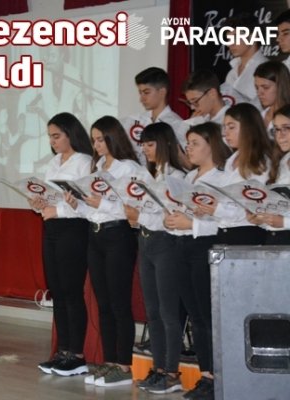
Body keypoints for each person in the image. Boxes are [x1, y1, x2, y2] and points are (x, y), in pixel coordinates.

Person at [66, 116, 140, 387]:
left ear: (113, 138)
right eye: (94, 140)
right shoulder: (97, 167)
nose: (96, 145)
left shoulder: (129, 167)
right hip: (95, 234)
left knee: (119, 303)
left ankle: (124, 365)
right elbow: (92, 208)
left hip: (118, 234)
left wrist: (103, 204)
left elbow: (134, 208)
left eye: (101, 139)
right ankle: (109, 361)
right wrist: (78, 204)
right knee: (104, 303)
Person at [163, 122, 232, 400]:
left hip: (205, 246)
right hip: (182, 246)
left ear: (211, 145)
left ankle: (217, 376)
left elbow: (226, 223)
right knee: (194, 316)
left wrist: (191, 223)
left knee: (207, 315)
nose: (188, 149)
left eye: (195, 144)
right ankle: (205, 375)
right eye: (187, 143)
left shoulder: (223, 178)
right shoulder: (189, 178)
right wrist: (172, 219)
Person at [123, 123, 186, 394]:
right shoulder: (147, 175)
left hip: (166, 243)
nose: (145, 150)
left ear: (165, 143)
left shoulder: (177, 176)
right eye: (143, 145)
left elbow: (172, 215)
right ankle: (158, 368)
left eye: (150, 144)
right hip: (145, 241)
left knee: (169, 312)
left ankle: (172, 373)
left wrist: (141, 215)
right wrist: (134, 215)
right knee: (152, 312)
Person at [30, 112, 93, 377]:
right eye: (50, 137)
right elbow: (50, 196)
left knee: (71, 291)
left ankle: (76, 355)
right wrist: (39, 203)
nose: (52, 142)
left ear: (71, 134)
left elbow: (86, 204)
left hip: (73, 229)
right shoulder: (54, 162)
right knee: (57, 290)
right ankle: (62, 351)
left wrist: (58, 210)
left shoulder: (85, 162)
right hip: (52, 229)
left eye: (56, 136)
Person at [207, 103, 271, 246]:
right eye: (224, 127)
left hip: (247, 233)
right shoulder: (231, 160)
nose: (225, 133)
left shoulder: (260, 162)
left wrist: (218, 209)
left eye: (231, 127)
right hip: (224, 232)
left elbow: (252, 208)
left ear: (248, 128)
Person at [121, 67, 187, 162]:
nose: (141, 99)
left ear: (162, 92)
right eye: (140, 93)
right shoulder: (134, 120)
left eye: (146, 92)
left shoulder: (177, 124)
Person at [248, 104, 290, 244]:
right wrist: (261, 219)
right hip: (276, 239)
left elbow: (283, 220)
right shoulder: (281, 162)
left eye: (286, 128)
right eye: (276, 129)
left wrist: (284, 222)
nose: (280, 135)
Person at [220, 13, 268, 109]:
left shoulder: (268, 69)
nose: (230, 44)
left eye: (235, 38)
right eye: (228, 39)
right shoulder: (231, 73)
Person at [253, 60, 290, 137]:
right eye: (257, 88)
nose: (259, 93)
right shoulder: (258, 117)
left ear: (281, 86)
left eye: (265, 87)